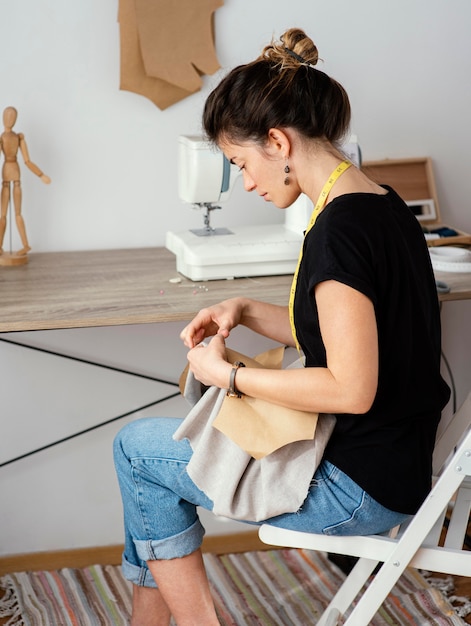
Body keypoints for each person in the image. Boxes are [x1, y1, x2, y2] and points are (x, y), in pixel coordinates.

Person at [113, 27, 450, 625]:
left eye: (243, 163)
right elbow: (343, 334)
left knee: (136, 454)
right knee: (148, 480)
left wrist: (229, 377)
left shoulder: (337, 234)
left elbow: (351, 387)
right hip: (396, 468)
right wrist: (242, 308)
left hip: (354, 492)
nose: (244, 183)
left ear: (277, 140)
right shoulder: (383, 208)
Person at [0, 106, 51, 257]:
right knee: (7, 214)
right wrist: (41, 175)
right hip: (11, 173)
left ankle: (25, 245)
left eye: (11, 116)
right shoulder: (11, 138)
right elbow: (27, 161)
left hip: (12, 173)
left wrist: (41, 175)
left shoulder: (14, 138)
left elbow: (28, 161)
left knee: (13, 213)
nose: (9, 119)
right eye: (7, 116)